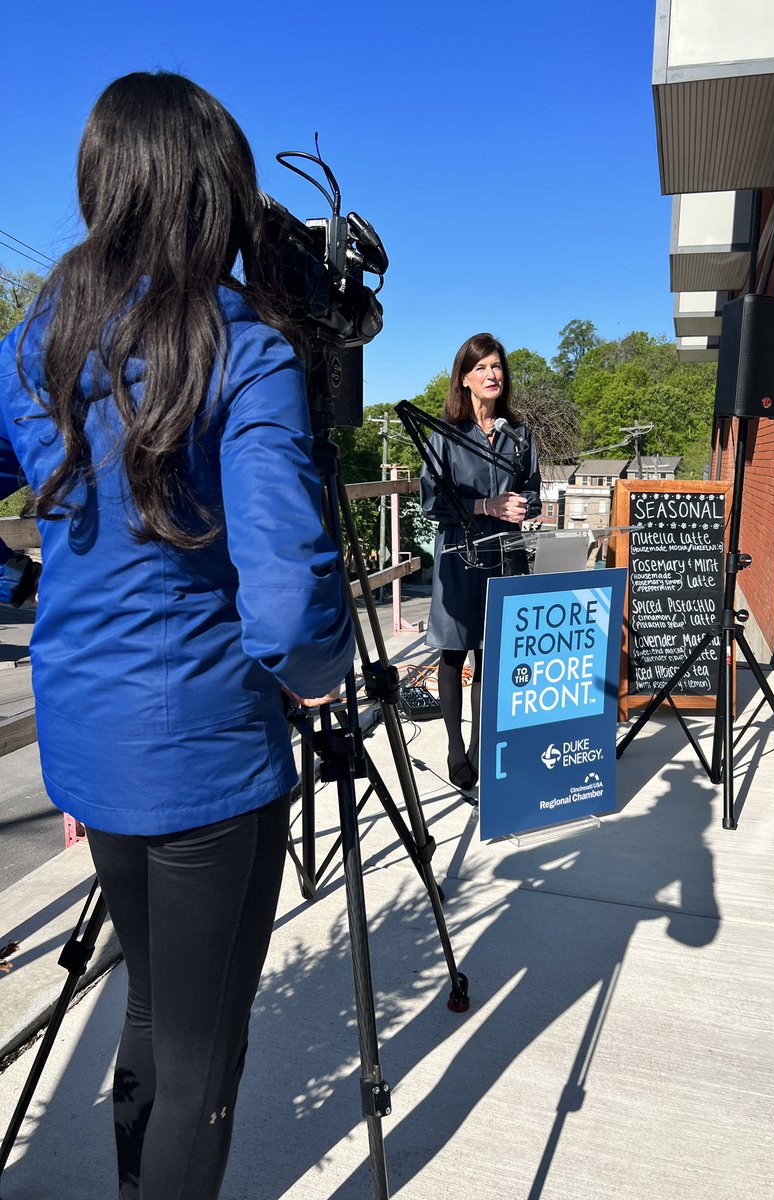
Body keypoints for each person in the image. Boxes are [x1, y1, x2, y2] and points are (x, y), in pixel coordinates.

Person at [0, 72, 354, 1200]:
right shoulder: (242, 345)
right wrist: (320, 672)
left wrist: (23, 580)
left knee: (152, 1005)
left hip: (88, 738)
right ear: (214, 191)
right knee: (204, 1053)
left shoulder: (37, 342)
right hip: (207, 754)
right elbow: (290, 600)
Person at [420, 333, 541, 791]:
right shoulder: (444, 435)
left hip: (507, 555)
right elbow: (431, 502)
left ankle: (478, 746)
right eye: (481, 368)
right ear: (465, 379)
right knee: (454, 653)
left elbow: (532, 490)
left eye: (497, 366)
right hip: (459, 556)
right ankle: (455, 748)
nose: (492, 375)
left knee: (492, 655)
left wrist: (524, 506)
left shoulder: (520, 435)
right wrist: (485, 506)